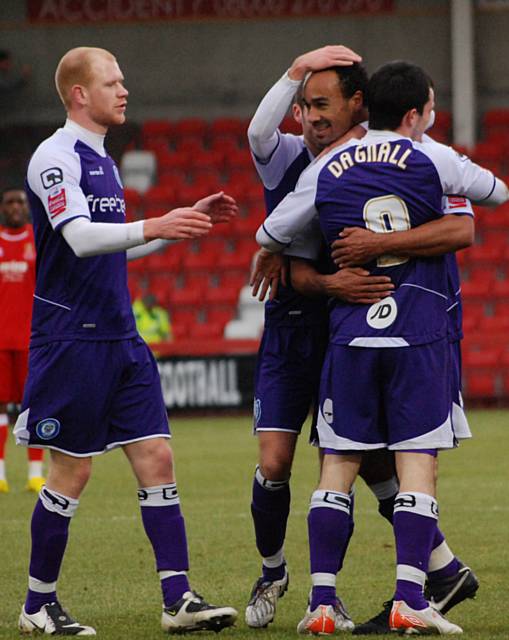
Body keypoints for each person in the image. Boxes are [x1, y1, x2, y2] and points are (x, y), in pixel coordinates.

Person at [256, 60, 508, 634]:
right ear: (417, 113)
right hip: (417, 332)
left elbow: (270, 231)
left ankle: (321, 602)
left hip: (350, 336)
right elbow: (494, 194)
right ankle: (410, 597)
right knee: (418, 462)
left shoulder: (328, 165)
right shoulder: (431, 156)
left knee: (338, 462)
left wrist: (277, 246)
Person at [14, 46, 238, 636]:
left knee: (156, 456)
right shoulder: (54, 156)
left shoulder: (102, 159)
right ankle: (37, 604)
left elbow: (119, 241)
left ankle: (177, 598)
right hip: (71, 338)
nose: (125, 90)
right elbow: (83, 239)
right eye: (113, 82)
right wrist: (155, 223)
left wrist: (179, 221)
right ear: (80, 94)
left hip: (120, 335)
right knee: (71, 474)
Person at [245, 46, 395, 631]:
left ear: (355, 109)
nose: (309, 116)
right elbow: (259, 128)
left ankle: (333, 589)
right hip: (289, 329)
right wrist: (295, 66)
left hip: (341, 328)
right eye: (304, 105)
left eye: (321, 104)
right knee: (275, 461)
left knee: (353, 458)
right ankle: (273, 570)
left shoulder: (363, 158)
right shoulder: (283, 154)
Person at [0, 187, 45, 493]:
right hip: (0, 341)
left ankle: (35, 474)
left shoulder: (37, 239)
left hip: (32, 339)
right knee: (1, 407)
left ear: (27, 207)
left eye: (20, 202)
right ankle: (0, 473)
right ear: (3, 208)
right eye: (9, 202)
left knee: (35, 405)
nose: (15, 207)